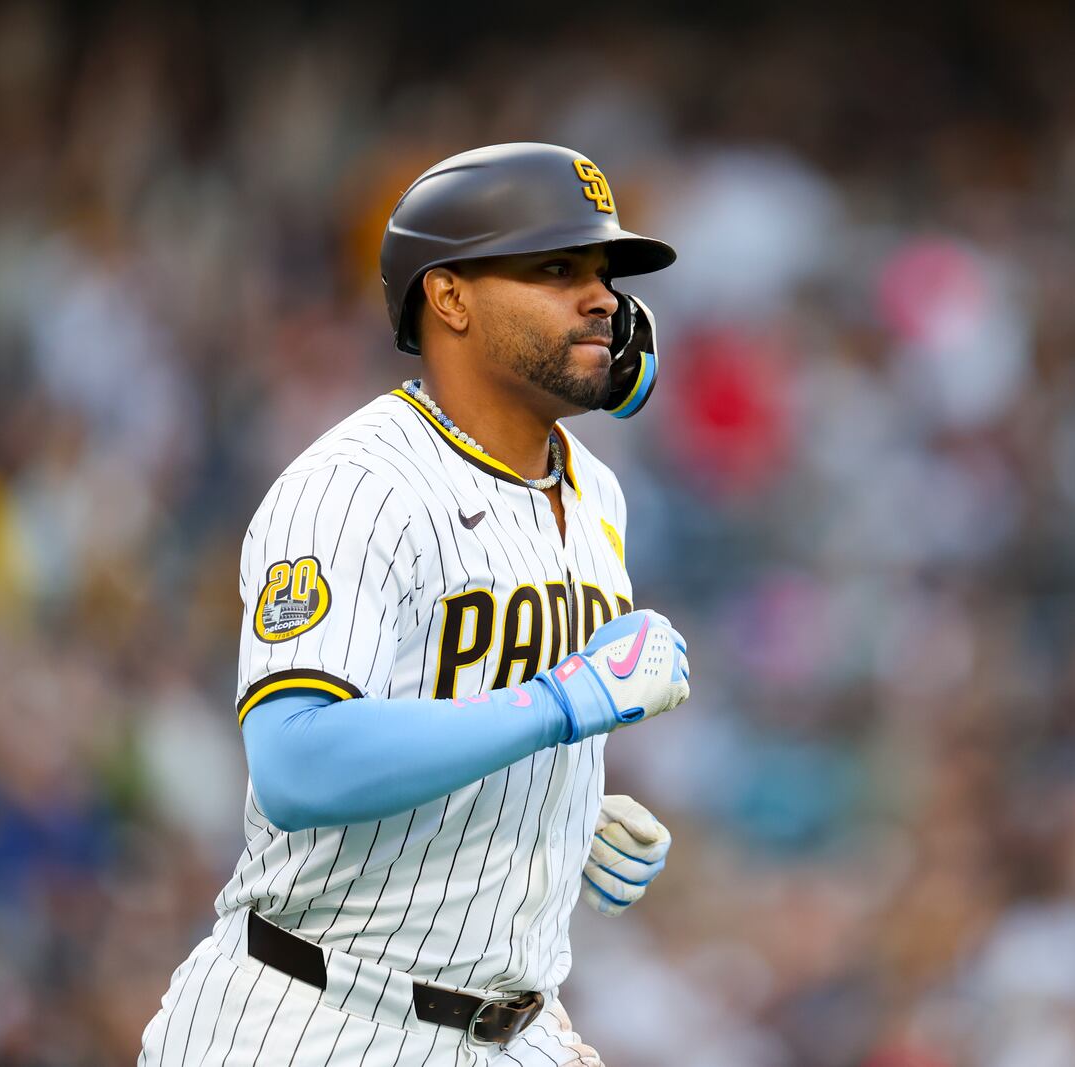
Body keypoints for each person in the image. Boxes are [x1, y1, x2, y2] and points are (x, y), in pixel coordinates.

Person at [138, 142, 692, 1066]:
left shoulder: (597, 492)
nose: (603, 298)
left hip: (510, 1024)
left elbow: (466, 702)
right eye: (557, 268)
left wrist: (558, 807)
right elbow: (300, 761)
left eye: (603, 272)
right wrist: (565, 706)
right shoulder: (354, 488)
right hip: (317, 1013)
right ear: (450, 297)